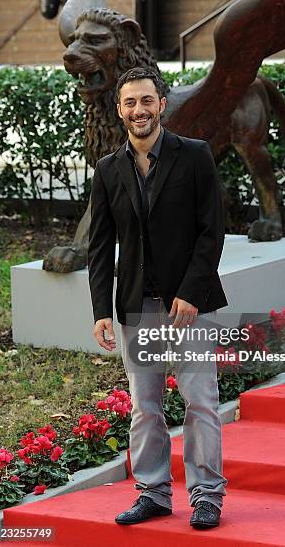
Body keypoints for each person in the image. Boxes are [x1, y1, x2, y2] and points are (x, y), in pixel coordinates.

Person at [88, 66, 228, 529]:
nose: (138, 110)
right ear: (120, 109)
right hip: (135, 307)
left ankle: (207, 496)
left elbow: (212, 231)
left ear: (161, 105)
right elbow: (100, 247)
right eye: (129, 102)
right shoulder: (108, 170)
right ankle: (153, 493)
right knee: (143, 407)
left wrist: (191, 292)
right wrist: (101, 312)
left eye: (146, 101)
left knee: (201, 402)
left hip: (187, 307)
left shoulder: (194, 155)